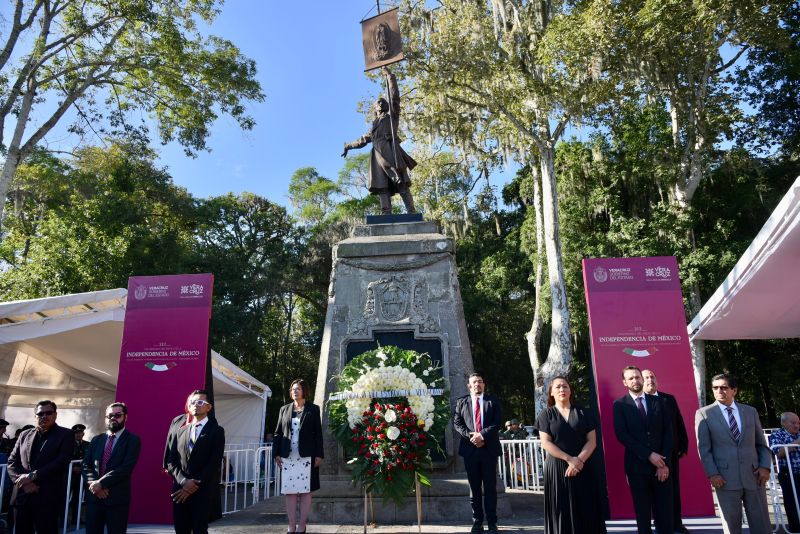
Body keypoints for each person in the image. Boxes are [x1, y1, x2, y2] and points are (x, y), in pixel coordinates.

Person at [695, 373, 771, 534]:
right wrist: (713, 474)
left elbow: (761, 444)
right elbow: (704, 449)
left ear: (734, 390)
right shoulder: (704, 414)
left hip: (754, 476)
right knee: (731, 526)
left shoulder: (750, 411)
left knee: (762, 525)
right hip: (724, 479)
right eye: (715, 388)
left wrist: (765, 466)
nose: (719, 391)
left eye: (723, 387)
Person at [534, 376, 606, 534]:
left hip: (584, 465)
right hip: (558, 468)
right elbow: (546, 443)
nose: (562, 390)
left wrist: (578, 460)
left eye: (565, 386)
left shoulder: (584, 413)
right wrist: (569, 460)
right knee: (561, 508)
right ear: (551, 392)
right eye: (558, 387)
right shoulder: (545, 415)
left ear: (570, 390)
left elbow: (592, 442)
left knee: (587, 507)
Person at [341, 65, 417, 214]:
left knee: (400, 182)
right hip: (377, 157)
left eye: (383, 101)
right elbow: (363, 140)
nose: (381, 103)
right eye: (378, 102)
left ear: (387, 106)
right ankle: (386, 212)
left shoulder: (392, 117)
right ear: (375, 108)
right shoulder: (374, 125)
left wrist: (389, 76)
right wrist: (348, 146)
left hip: (391, 152)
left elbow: (394, 96)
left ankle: (411, 211)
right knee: (382, 186)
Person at [613, 366, 673, 534]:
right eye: (631, 378)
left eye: (637, 377)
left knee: (665, 512)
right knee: (643, 512)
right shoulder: (619, 405)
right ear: (625, 382)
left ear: (642, 378)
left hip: (662, 467)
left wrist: (663, 463)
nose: (635, 380)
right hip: (636, 467)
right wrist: (649, 455)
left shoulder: (659, 402)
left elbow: (668, 434)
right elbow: (622, 435)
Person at [6, 400, 74, 534]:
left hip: (47, 496)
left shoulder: (65, 434)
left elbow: (61, 461)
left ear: (55, 415)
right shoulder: (25, 435)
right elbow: (12, 462)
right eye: (40, 413)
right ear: (35, 416)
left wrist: (33, 476)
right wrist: (24, 484)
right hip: (23, 495)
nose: (44, 416)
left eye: (48, 413)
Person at [166, 390, 225, 534]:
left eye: (200, 402)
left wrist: (193, 484)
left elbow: (214, 462)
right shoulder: (180, 431)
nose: (195, 405)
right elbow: (171, 461)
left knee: (199, 529)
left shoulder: (216, 431)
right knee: (181, 529)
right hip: (179, 490)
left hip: (202, 490)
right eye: (192, 402)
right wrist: (183, 481)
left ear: (209, 407)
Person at [642, 369, 690, 534]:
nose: (650, 380)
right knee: (653, 494)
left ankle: (676, 523)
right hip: (648, 456)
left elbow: (679, 422)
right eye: (646, 377)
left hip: (671, 454)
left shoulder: (668, 399)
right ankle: (659, 524)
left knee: (673, 492)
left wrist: (683, 444)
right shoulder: (639, 402)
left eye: (652, 376)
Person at [454, 372, 502, 534]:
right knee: (474, 488)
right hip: (470, 450)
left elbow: (497, 422)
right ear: (469, 386)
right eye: (474, 382)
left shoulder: (492, 401)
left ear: (484, 385)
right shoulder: (462, 402)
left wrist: (482, 435)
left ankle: (492, 523)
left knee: (490, 488)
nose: (477, 384)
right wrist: (471, 435)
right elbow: (457, 422)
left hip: (489, 450)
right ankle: (477, 522)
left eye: (480, 382)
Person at [273, 378, 324, 534]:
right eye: (293, 389)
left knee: (305, 490)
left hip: (307, 456)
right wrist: (276, 454)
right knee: (290, 491)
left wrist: (319, 455)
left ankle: (302, 525)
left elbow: (318, 435)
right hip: (288, 456)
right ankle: (291, 525)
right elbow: (278, 433)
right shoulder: (284, 409)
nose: (294, 391)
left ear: (304, 391)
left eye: (298, 389)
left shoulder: (313, 409)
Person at [82, 403, 141, 534]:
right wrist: (94, 485)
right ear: (105, 418)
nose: (113, 418)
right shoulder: (96, 439)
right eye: (110, 416)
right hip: (94, 497)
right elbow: (86, 465)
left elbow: (125, 468)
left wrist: (101, 483)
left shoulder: (133, 440)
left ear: (125, 417)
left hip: (116, 499)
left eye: (118, 415)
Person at [770, 412, 800, 533]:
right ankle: (795, 529)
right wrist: (797, 442)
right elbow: (778, 453)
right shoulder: (778, 434)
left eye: (798, 423)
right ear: (784, 423)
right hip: (789, 474)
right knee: (792, 503)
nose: (797, 425)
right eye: (793, 423)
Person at [69, 423, 90, 526]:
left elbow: (89, 459)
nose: (78, 434)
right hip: (69, 475)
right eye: (76, 433)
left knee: (78, 497)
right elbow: (64, 458)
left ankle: (76, 519)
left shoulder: (88, 445)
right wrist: (73, 467)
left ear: (83, 433)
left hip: (81, 476)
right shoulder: (67, 444)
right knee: (65, 496)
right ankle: (64, 519)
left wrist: (82, 468)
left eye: (80, 432)